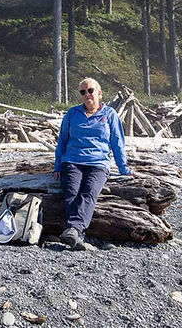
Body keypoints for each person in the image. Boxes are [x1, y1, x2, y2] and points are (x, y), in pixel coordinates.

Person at [53, 77, 132, 250]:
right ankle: (77, 234)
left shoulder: (109, 114)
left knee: (89, 191)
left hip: (98, 162)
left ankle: (74, 230)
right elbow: (62, 140)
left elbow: (117, 142)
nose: (87, 94)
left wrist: (123, 168)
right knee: (71, 193)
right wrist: (57, 165)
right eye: (83, 92)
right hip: (72, 160)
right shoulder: (72, 114)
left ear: (99, 93)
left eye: (90, 90)